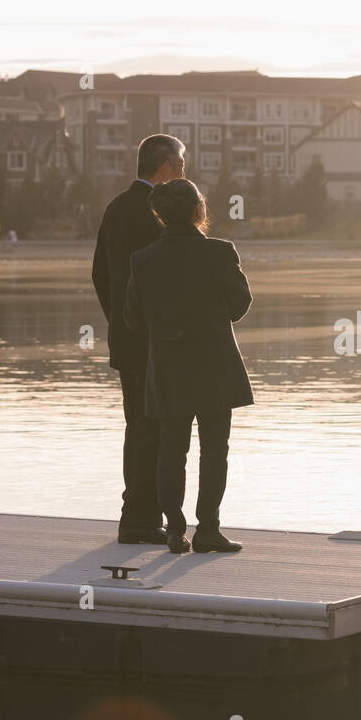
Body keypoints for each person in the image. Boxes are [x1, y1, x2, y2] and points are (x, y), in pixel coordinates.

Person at [123, 178, 253, 554]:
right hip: (215, 366)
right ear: (200, 209)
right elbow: (239, 306)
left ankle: (174, 531)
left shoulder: (142, 260)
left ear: (159, 214)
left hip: (168, 367)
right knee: (215, 450)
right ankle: (208, 529)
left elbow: (134, 320)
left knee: (171, 449)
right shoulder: (220, 252)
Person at [92, 133, 186, 544]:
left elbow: (100, 273)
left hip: (127, 341)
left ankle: (137, 514)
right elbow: (164, 279)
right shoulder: (157, 212)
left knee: (138, 425)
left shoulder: (115, 207)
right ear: (165, 166)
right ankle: (143, 520)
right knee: (156, 428)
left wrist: (119, 321)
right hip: (156, 342)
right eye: (181, 164)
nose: (184, 172)